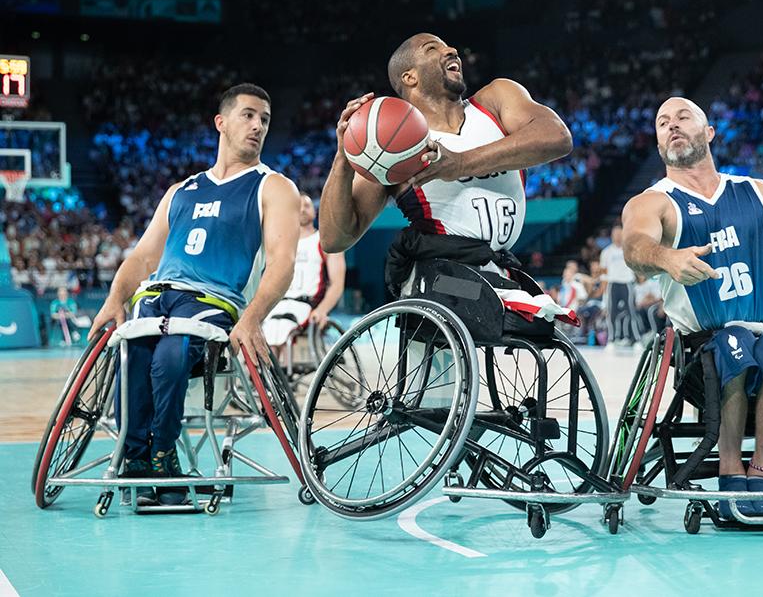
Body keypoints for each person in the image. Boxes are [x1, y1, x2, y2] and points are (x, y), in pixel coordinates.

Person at [621, 97, 763, 518]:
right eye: (662, 122)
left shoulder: (757, 192)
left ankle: (762, 474)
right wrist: (666, 257)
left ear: (709, 132)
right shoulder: (652, 202)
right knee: (735, 342)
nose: (672, 125)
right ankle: (730, 471)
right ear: (658, 143)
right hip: (702, 348)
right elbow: (635, 247)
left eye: (683, 117)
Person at [88, 84, 300, 506]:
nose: (258, 126)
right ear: (221, 122)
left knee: (171, 354)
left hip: (212, 303)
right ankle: (135, 459)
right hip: (156, 297)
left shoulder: (273, 187)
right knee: (132, 355)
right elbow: (143, 256)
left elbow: (283, 262)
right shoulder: (181, 191)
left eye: (264, 119)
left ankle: (164, 456)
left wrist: (253, 317)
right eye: (248, 115)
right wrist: (114, 299)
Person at [318, 32, 571, 285]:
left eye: (449, 47)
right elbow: (334, 239)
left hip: (497, 273)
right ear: (410, 77)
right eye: (432, 49)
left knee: (535, 312)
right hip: (442, 280)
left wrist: (461, 163)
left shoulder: (496, 99)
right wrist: (343, 159)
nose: (451, 51)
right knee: (484, 301)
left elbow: (557, 136)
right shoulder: (394, 143)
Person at [261, 192, 346, 363]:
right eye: (297, 206)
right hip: (279, 303)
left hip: (306, 305)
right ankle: (268, 377)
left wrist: (322, 310)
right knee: (263, 334)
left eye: (306, 205)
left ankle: (283, 374)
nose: (302, 209)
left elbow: (337, 284)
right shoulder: (281, 244)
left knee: (284, 330)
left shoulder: (325, 242)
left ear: (314, 211)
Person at [600, 225, 642, 347]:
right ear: (612, 236)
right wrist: (604, 290)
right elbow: (603, 272)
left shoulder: (630, 250)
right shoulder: (606, 252)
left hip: (627, 283)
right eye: (615, 234)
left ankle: (637, 340)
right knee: (612, 313)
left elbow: (636, 267)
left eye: (620, 234)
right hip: (613, 283)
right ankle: (611, 340)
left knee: (631, 312)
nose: (618, 237)